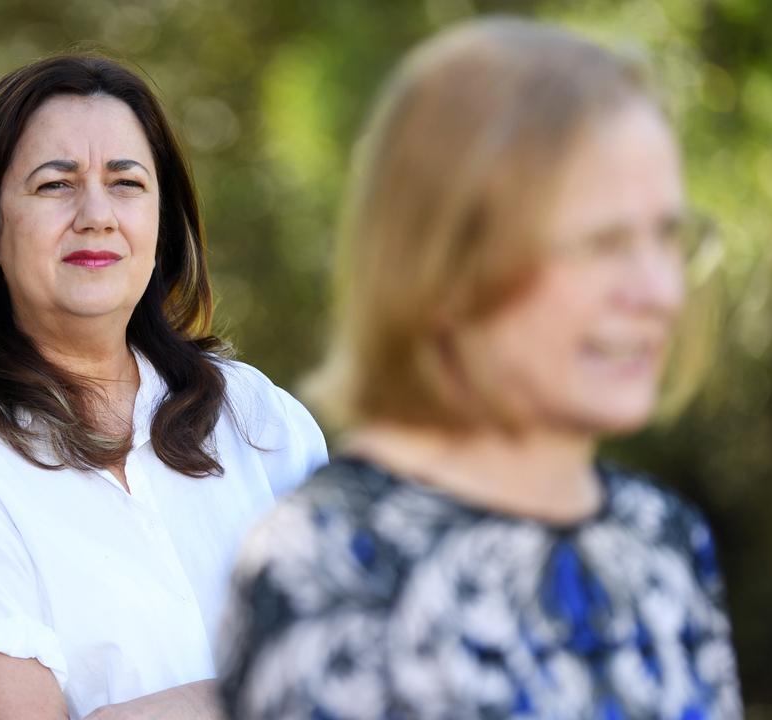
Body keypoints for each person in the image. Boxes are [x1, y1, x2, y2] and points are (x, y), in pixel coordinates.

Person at [218, 18, 742, 719]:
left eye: (668, 236)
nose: (659, 292)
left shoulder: (665, 538)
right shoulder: (333, 562)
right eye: (602, 242)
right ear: (448, 265)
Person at [0, 54, 327, 720]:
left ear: (162, 223)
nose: (96, 214)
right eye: (56, 185)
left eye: (126, 182)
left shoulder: (263, 421)